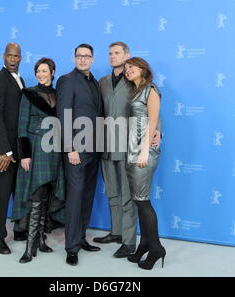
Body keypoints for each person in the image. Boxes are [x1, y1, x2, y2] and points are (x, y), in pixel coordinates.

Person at [94, 42, 161, 259]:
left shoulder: (135, 82)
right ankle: (115, 232)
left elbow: (152, 113)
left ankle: (129, 241)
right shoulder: (102, 82)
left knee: (127, 196)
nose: (113, 56)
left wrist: (158, 132)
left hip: (129, 147)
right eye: (110, 53)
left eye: (117, 53)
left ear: (127, 56)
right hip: (106, 144)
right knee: (112, 192)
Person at [13, 58, 65, 263]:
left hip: (54, 150)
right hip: (35, 148)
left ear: (53, 72)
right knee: (36, 195)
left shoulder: (59, 94)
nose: (41, 74)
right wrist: (24, 154)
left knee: (47, 194)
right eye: (38, 71)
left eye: (45, 70)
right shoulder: (29, 94)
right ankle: (30, 246)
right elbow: (21, 125)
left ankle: (42, 240)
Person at [56, 44, 104, 266]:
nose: (83, 59)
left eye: (87, 56)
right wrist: (70, 148)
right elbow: (63, 115)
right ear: (74, 58)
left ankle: (82, 238)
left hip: (94, 149)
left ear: (93, 59)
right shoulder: (67, 80)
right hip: (76, 149)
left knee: (86, 195)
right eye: (79, 56)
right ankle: (71, 247)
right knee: (75, 198)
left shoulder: (94, 82)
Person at [123, 57, 166, 270]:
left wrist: (144, 151)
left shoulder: (151, 89)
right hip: (133, 149)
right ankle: (145, 243)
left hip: (143, 151)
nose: (127, 70)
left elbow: (153, 119)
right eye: (126, 68)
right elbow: (155, 121)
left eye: (131, 67)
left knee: (143, 200)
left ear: (143, 69)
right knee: (138, 201)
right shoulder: (136, 91)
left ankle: (156, 247)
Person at [0, 42, 27, 255]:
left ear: (21, 58)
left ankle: (19, 229)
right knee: (3, 192)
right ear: (3, 56)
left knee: (16, 191)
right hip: (4, 150)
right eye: (9, 56)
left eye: (16, 56)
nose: (12, 59)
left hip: (18, 148)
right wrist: (4, 150)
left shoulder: (20, 80)